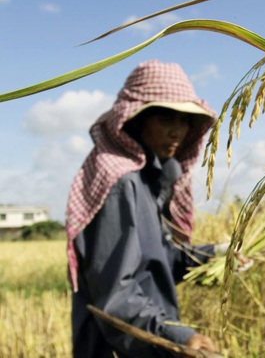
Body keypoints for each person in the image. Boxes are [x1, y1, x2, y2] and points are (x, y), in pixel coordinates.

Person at [66, 60, 220, 357]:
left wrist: (217, 256)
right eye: (165, 119)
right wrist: (174, 336)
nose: (177, 132)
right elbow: (115, 294)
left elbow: (159, 261)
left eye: (184, 121)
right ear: (136, 120)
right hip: (119, 347)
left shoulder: (151, 182)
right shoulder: (121, 183)